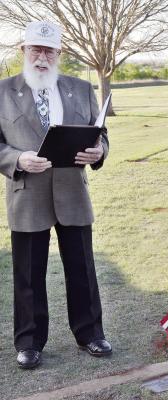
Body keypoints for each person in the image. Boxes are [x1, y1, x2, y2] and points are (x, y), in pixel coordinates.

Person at [0, 21, 112, 369]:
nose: (42, 57)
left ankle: (91, 333)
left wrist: (99, 151)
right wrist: (17, 158)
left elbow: (100, 133)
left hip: (72, 194)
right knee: (28, 273)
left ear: (59, 54)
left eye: (49, 51)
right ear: (23, 51)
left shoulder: (80, 88)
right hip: (26, 193)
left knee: (82, 267)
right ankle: (30, 342)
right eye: (35, 49)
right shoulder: (2, 91)